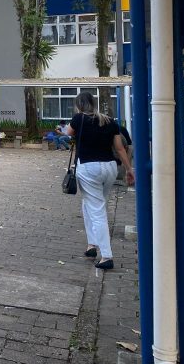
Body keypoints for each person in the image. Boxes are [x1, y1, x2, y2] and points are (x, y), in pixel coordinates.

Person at [65, 91, 134, 270]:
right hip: (110, 168)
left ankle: (106, 255)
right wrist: (129, 169)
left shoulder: (78, 118)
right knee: (91, 204)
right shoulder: (109, 121)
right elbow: (119, 149)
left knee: (97, 211)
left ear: (79, 105)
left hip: (89, 168)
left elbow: (68, 132)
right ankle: (91, 245)